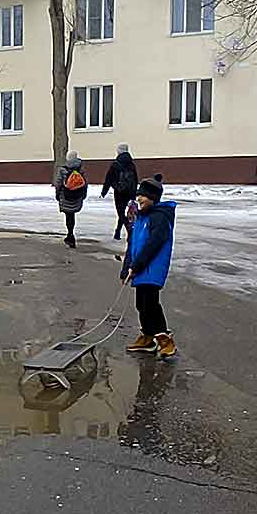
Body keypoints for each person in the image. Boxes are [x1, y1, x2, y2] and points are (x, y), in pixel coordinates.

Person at [120, 178, 178, 358]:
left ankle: (165, 340)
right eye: (138, 195)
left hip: (152, 268)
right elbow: (132, 245)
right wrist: (126, 267)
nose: (139, 199)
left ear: (153, 197)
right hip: (140, 268)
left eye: (143, 196)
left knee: (150, 304)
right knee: (141, 304)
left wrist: (137, 265)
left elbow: (154, 244)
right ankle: (147, 337)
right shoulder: (141, 218)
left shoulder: (160, 217)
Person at [102, 143, 139, 240]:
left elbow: (109, 179)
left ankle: (128, 231)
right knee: (127, 213)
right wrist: (134, 192)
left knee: (121, 213)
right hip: (130, 192)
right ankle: (118, 231)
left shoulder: (115, 164)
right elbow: (135, 179)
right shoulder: (131, 164)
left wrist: (104, 191)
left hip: (119, 192)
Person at [54, 150, 88, 248]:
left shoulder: (63, 169)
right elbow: (85, 183)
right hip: (77, 196)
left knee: (68, 215)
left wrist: (57, 195)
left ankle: (70, 235)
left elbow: (58, 184)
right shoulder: (81, 169)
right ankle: (70, 235)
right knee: (72, 215)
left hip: (65, 196)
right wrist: (83, 194)